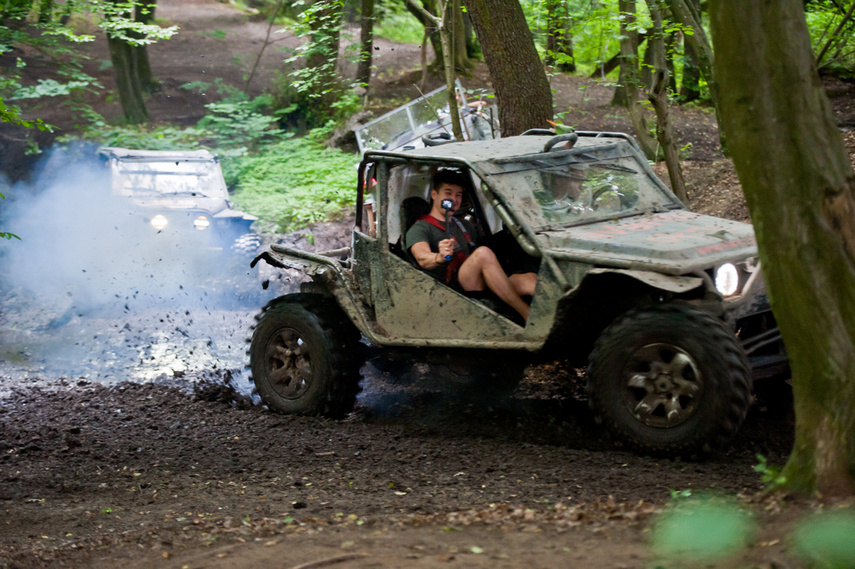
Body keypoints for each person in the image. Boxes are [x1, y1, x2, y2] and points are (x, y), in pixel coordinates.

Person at [405, 169, 537, 321]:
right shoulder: (421, 228)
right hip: (453, 289)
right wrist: (439, 257)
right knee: (483, 253)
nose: (454, 199)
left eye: (458, 195)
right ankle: (527, 316)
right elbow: (422, 258)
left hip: (478, 276)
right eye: (448, 193)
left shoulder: (464, 224)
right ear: (434, 195)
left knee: (531, 280)